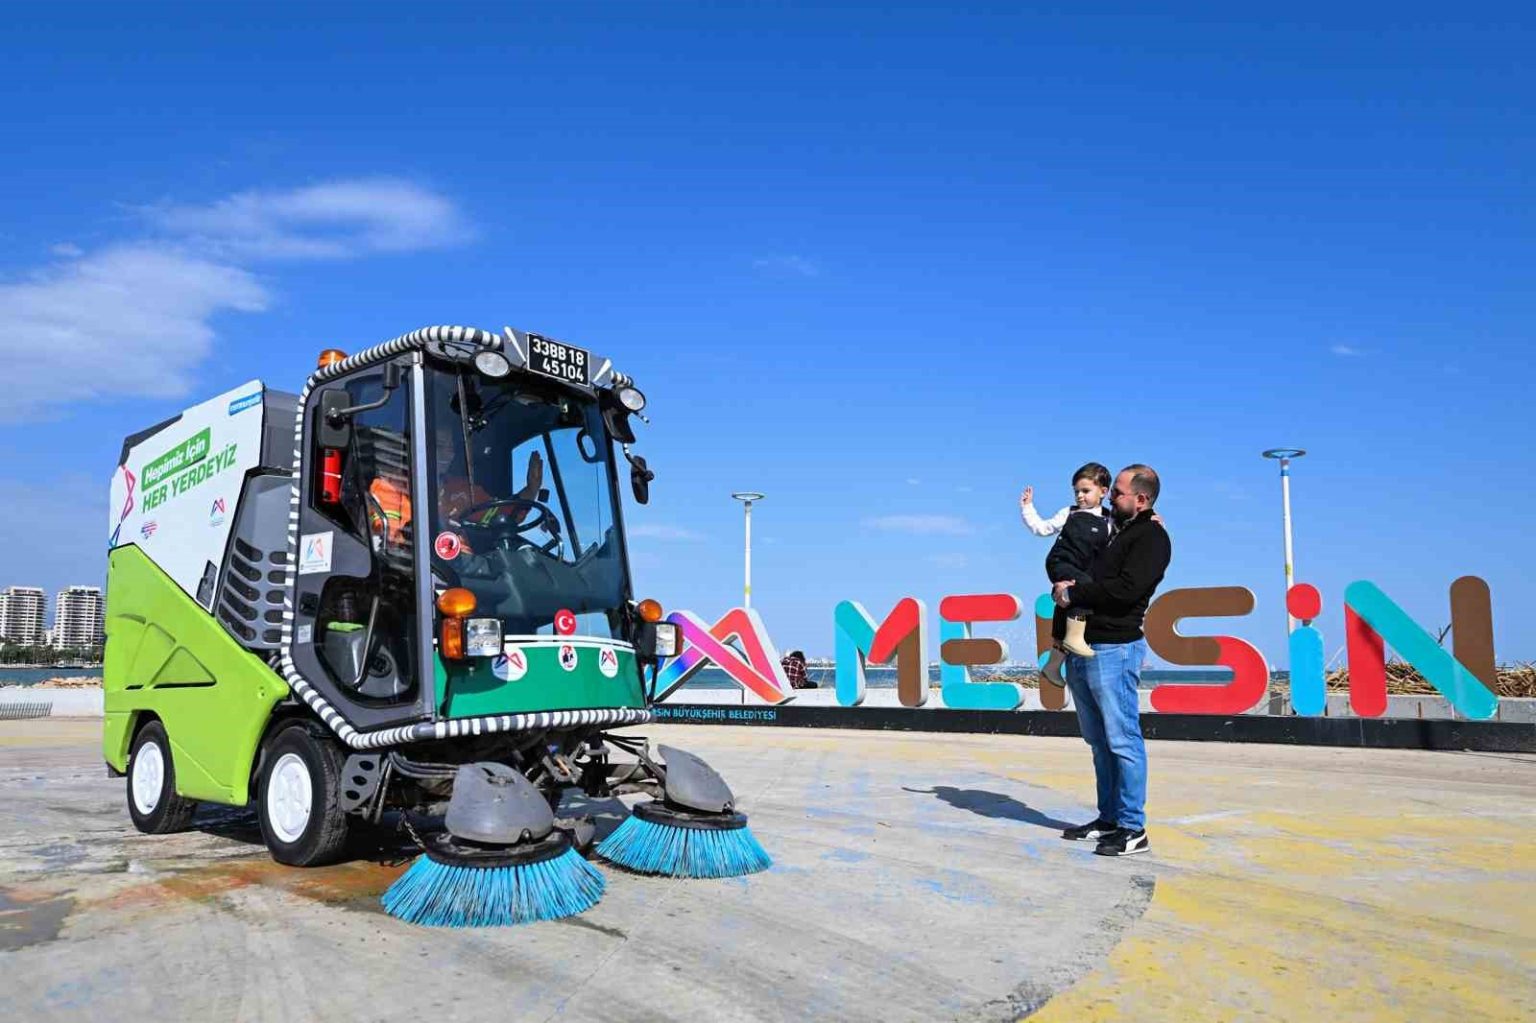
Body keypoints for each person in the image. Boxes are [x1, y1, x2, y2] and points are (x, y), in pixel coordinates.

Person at [1052, 464, 1171, 858]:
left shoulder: (1151, 537)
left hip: (1115, 649)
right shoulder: (1114, 529)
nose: (1111, 497)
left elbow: (1125, 590)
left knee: (1122, 740)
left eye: (1118, 492)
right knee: (1099, 742)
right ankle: (1108, 819)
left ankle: (1133, 828)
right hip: (1084, 645)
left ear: (1141, 499)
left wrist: (1074, 593)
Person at [1020, 464, 1114, 686]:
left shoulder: (1111, 520)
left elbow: (1128, 532)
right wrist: (1028, 508)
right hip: (1061, 563)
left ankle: (1053, 665)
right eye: (1076, 491)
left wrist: (1152, 519)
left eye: (1085, 491)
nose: (1080, 496)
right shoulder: (1069, 513)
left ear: (1103, 491)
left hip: (1083, 570)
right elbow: (1042, 528)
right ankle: (1074, 637)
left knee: (1065, 606)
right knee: (1084, 589)